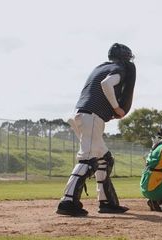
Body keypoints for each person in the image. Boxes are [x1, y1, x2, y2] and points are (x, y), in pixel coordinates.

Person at [56, 43, 136, 216]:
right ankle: (67, 202)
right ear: (125, 58)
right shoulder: (118, 68)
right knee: (88, 159)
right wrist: (117, 108)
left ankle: (107, 202)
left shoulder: (101, 67)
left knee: (104, 159)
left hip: (83, 115)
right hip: (91, 117)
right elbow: (106, 85)